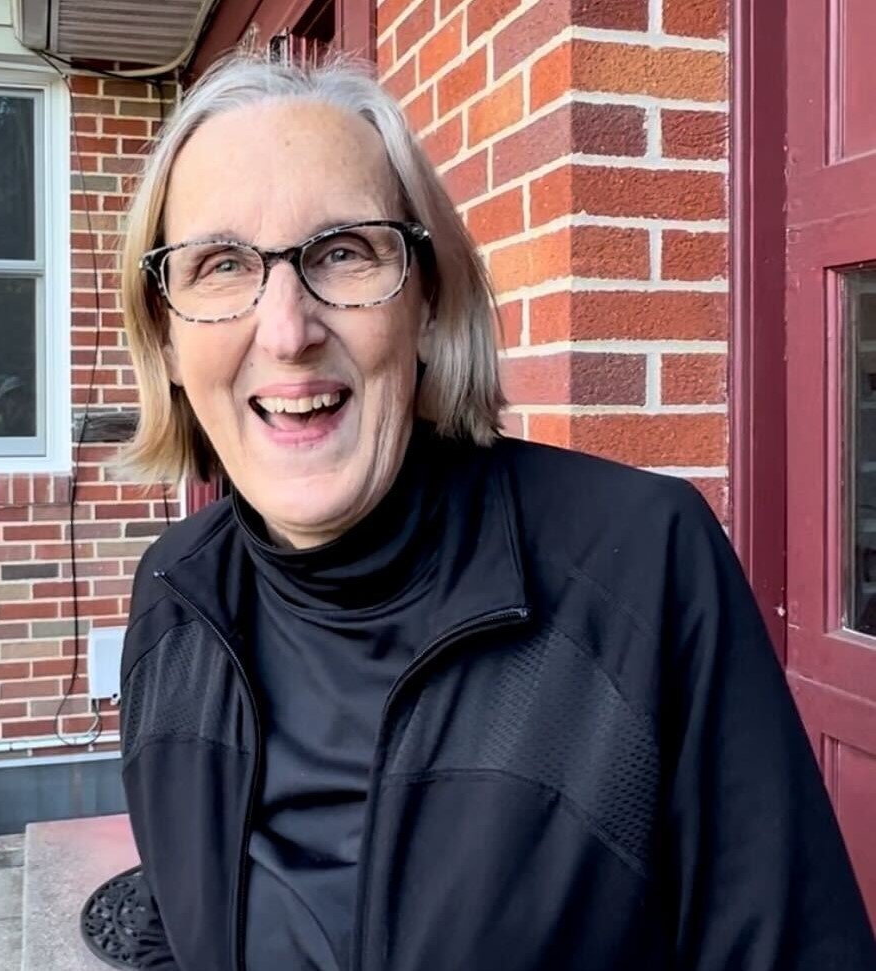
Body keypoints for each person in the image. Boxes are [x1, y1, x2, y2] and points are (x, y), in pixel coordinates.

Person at [117, 52, 876, 971]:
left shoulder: (644, 564)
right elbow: (166, 916)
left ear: (428, 302)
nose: (286, 330)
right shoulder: (172, 593)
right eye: (221, 265)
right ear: (163, 334)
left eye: (344, 252)